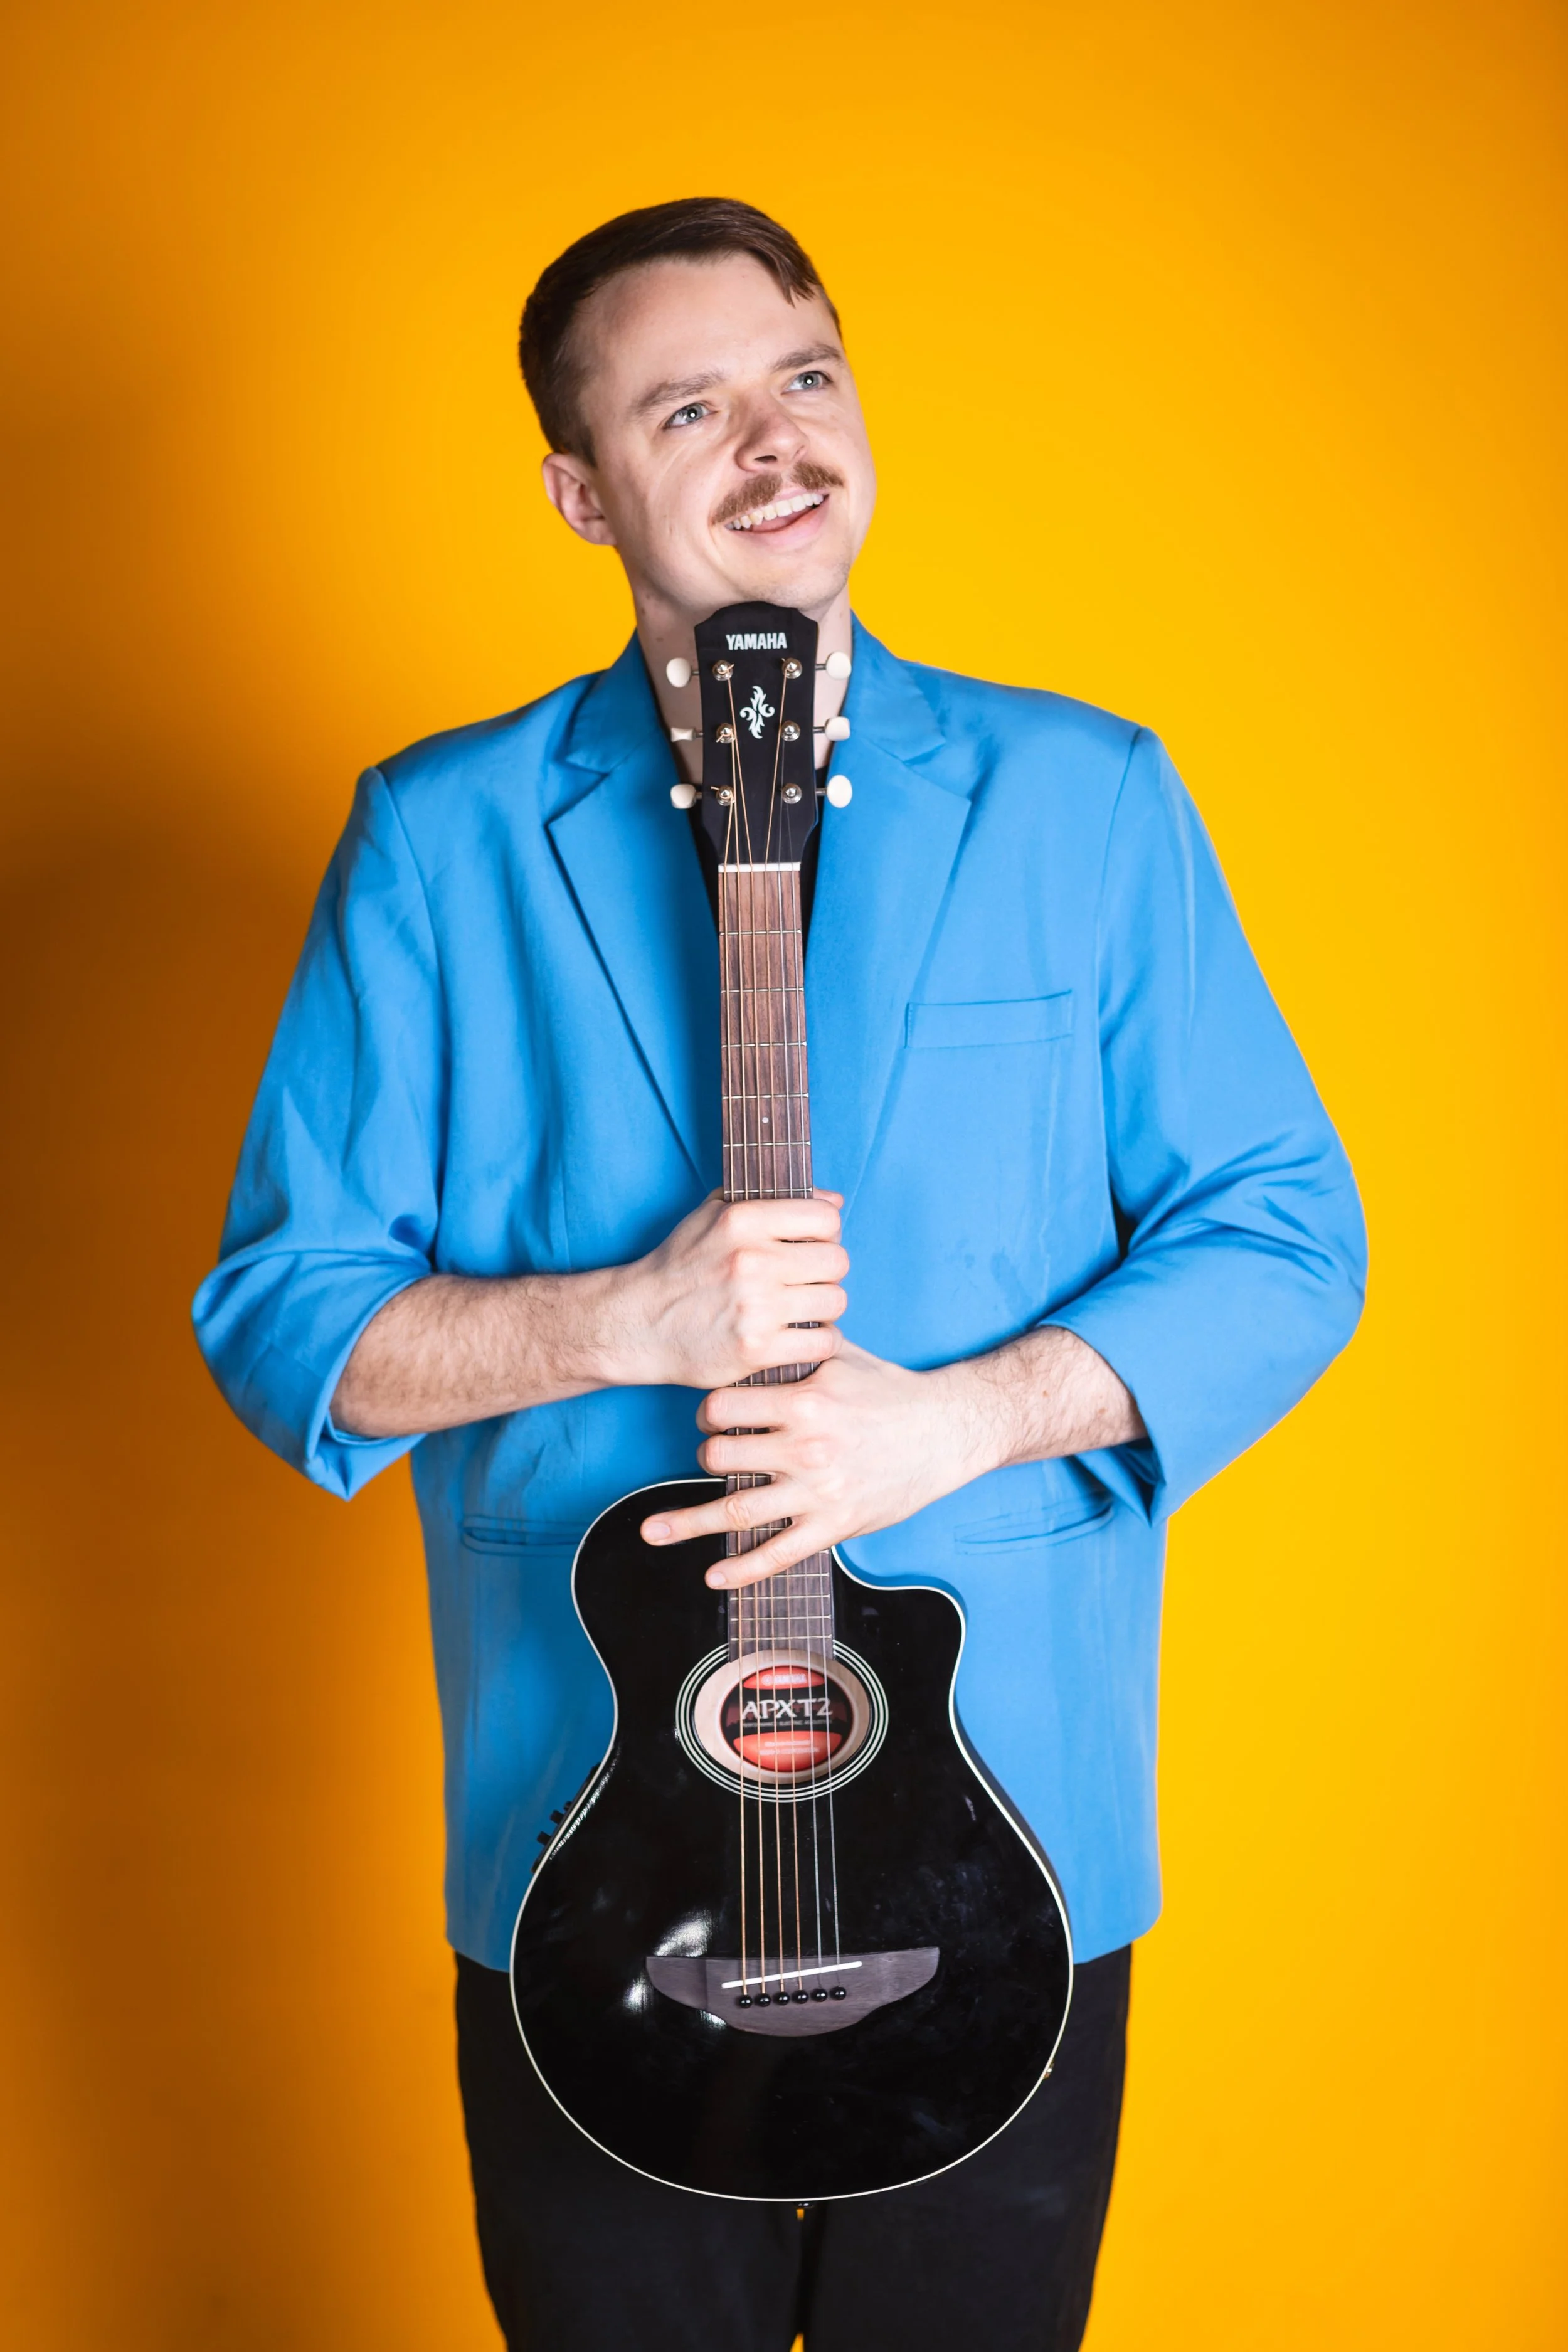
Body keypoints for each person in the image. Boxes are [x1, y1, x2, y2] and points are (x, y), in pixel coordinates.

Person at [193, 198, 1365, 2351]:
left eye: (805, 376)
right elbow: (281, 1315)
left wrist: (960, 1416)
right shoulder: (438, 840)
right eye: (687, 403)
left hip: (1010, 1815)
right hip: (587, 1840)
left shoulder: (1086, 800)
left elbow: (1283, 1236)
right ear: (580, 489)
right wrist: (618, 1321)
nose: (773, 439)